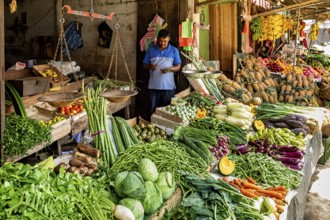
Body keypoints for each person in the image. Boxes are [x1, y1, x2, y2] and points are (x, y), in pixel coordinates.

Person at [143, 29, 182, 115]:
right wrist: (150, 66)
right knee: (152, 111)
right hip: (153, 87)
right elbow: (144, 64)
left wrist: (170, 69)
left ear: (169, 39)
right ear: (157, 39)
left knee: (167, 113)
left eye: (165, 41)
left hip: (168, 88)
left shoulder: (174, 50)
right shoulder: (151, 49)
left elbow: (178, 67)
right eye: (160, 41)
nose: (162, 43)